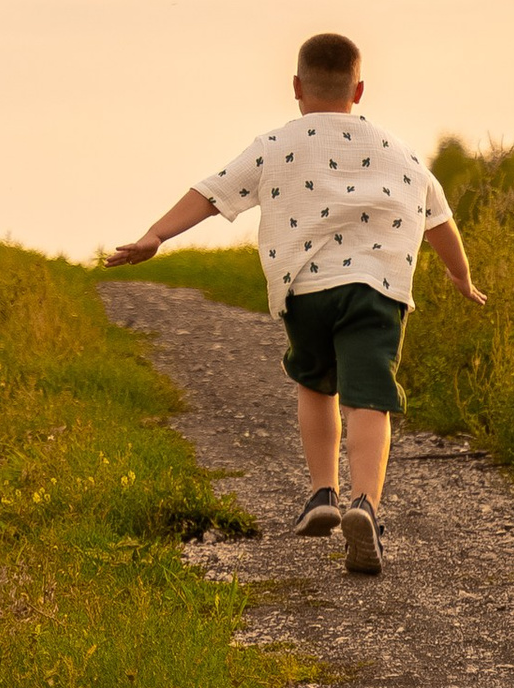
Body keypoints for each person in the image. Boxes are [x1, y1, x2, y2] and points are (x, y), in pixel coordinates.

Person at [108, 29, 484, 576]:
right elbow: (439, 221)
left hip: (305, 290)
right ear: (359, 91)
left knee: (315, 384)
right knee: (369, 398)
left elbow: (211, 193)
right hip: (376, 290)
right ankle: (366, 505)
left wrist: (155, 235)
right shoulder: (400, 152)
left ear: (296, 87)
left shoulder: (275, 144)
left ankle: (322, 492)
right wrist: (460, 276)